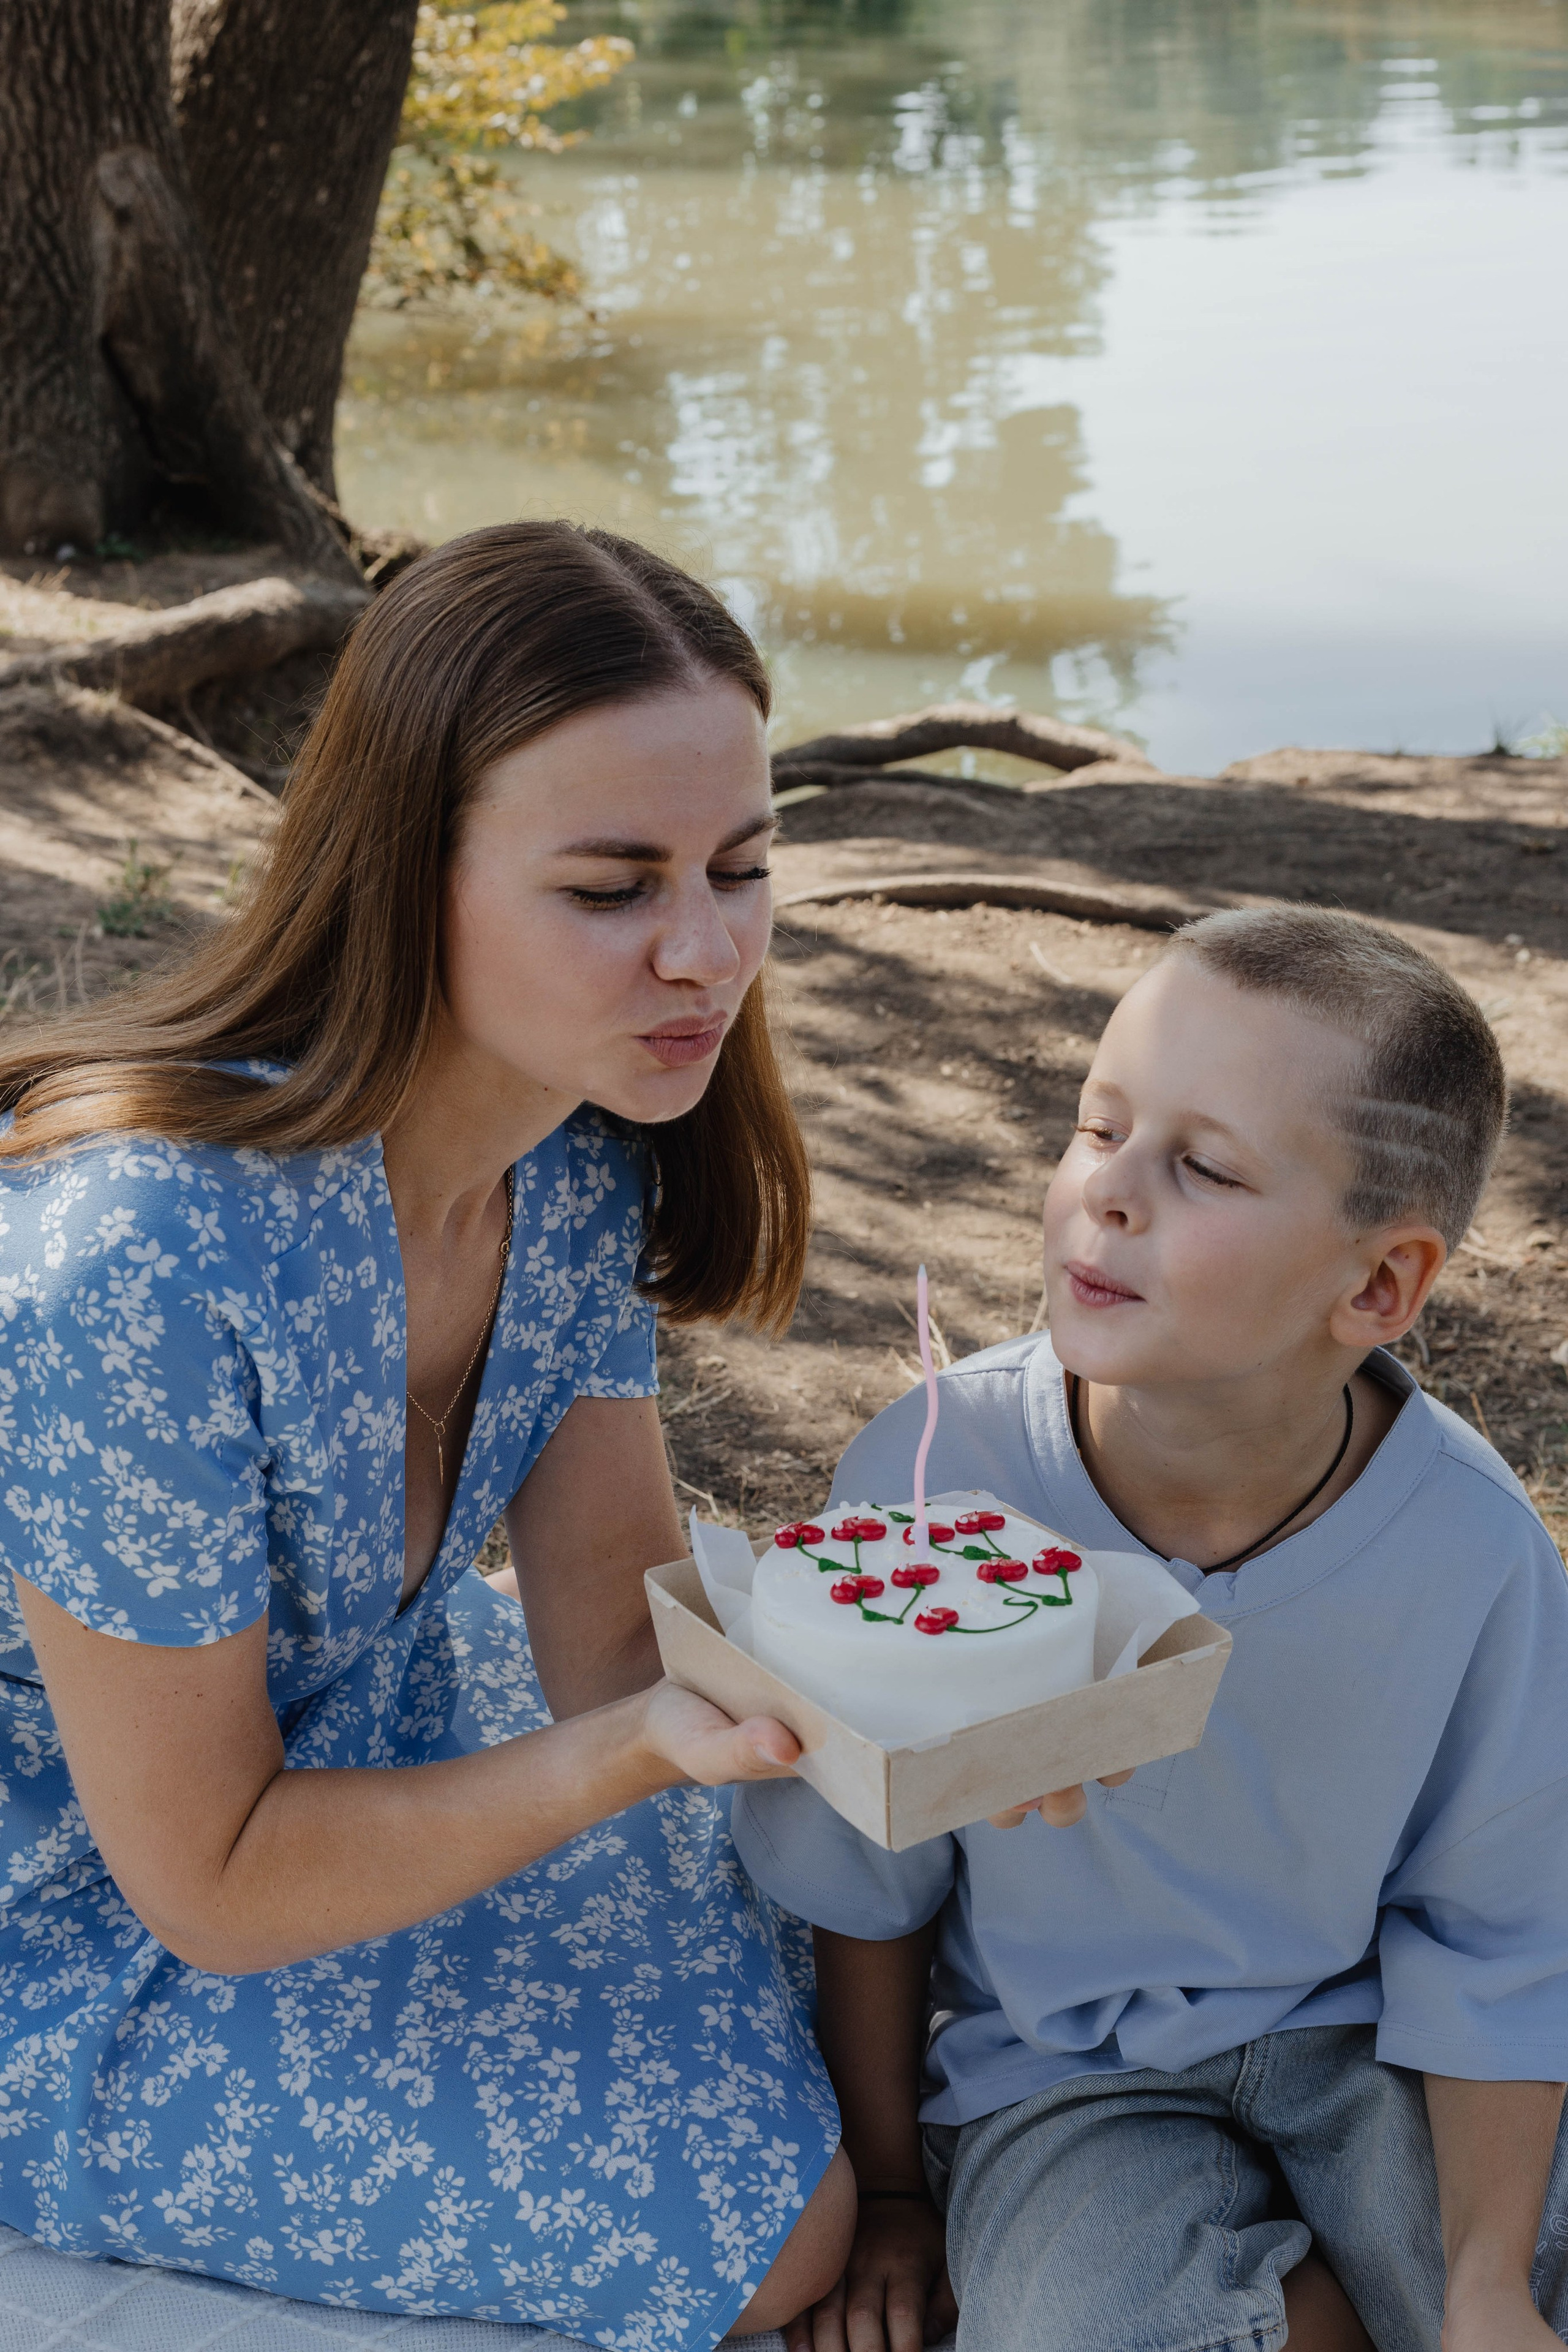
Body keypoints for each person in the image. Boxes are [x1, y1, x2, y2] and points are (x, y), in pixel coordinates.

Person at [0, 522, 855, 2346]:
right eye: (613, 885)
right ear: (412, 874)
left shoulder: (574, 1158)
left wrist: (937, 1700)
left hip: (360, 1745)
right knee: (771, 2226)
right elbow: (215, 1881)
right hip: (72, 1933)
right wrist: (644, 1755)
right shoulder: (132, 1272)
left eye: (742, 865)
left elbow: (614, 1649)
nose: (707, 952)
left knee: (887, 1924)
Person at [734, 906, 1568, 2352]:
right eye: (1096, 1126)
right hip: (1057, 2079)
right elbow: (866, 1885)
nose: (1103, 1197)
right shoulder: (930, 1486)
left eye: (1200, 1166)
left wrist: (1487, 2282)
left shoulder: (1473, 1552)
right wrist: (884, 2191)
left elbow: (1501, 1942)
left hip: (1372, 2049)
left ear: (1374, 1286)